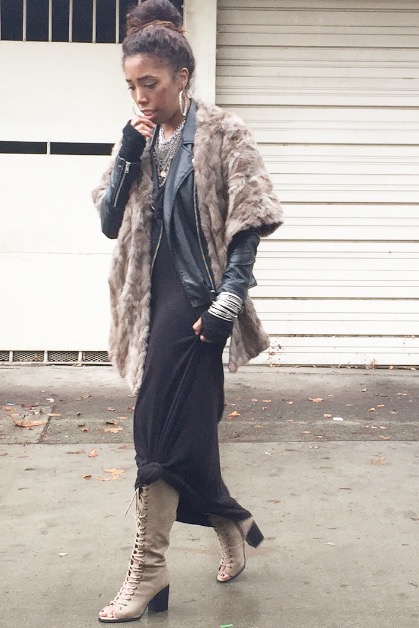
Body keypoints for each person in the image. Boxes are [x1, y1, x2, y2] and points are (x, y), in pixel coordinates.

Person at [91, 0, 283, 622]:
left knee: (157, 429)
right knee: (185, 432)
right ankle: (233, 524)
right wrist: (128, 150)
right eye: (131, 86)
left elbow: (250, 220)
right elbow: (109, 220)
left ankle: (149, 570)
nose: (140, 96)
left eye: (150, 83)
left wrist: (229, 300)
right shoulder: (137, 138)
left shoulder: (225, 132)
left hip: (199, 303)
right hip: (148, 302)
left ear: (181, 76)